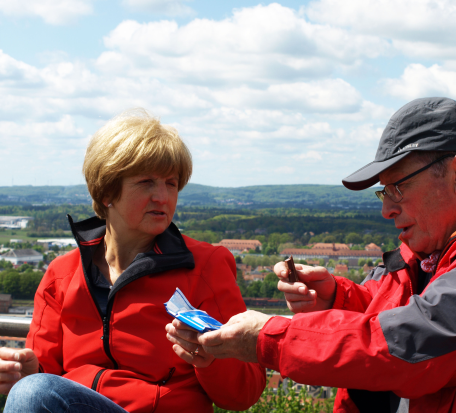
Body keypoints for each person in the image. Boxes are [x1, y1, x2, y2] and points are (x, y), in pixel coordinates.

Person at [196, 97, 456, 412]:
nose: (388, 210)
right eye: (385, 192)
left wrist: (270, 338)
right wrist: (335, 297)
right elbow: (391, 311)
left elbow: (421, 338)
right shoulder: (428, 246)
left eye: (399, 186)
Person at [0, 109, 265, 412]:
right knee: (31, 389)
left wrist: (211, 360)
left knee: (33, 392)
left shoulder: (204, 266)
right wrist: (25, 372)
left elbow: (245, 393)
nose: (162, 197)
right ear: (107, 191)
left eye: (171, 183)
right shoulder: (61, 275)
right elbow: (47, 381)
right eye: (146, 182)